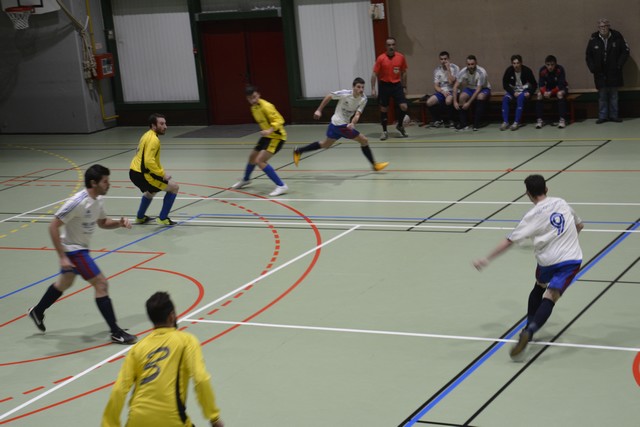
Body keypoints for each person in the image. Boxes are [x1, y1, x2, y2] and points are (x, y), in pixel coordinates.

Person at [473, 174, 584, 360]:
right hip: (570, 260)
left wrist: (486, 259)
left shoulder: (531, 216)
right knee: (551, 296)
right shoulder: (562, 202)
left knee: (539, 286)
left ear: (528, 194)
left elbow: (509, 241)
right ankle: (530, 331)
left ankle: (527, 327)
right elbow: (579, 225)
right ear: (546, 189)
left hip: (547, 261)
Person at [27, 165, 137, 345]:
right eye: (105, 181)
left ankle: (37, 311)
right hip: (74, 250)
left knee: (64, 283)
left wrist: (119, 223)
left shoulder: (98, 199)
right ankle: (116, 332)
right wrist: (62, 257)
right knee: (101, 284)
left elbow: (102, 222)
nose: (109, 184)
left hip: (81, 248)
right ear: (93, 183)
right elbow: (53, 226)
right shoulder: (77, 202)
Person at [102, 292, 224, 427]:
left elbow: (119, 389)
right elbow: (201, 379)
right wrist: (214, 417)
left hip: (136, 420)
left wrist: (109, 424)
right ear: (171, 316)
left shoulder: (138, 348)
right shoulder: (187, 341)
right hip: (172, 419)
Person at [292, 77, 389, 172]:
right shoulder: (345, 94)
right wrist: (319, 110)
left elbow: (357, 114)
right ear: (353, 87)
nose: (361, 89)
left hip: (337, 125)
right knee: (364, 140)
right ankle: (375, 165)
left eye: (363, 87)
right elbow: (329, 96)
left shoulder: (363, 99)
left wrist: (352, 123)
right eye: (358, 87)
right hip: (339, 124)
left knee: (325, 144)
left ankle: (299, 151)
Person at [231, 85, 288, 197]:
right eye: (250, 98)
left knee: (260, 161)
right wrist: (266, 132)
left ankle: (281, 186)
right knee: (252, 156)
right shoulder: (253, 108)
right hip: (267, 136)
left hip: (277, 137)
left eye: (254, 97)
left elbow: (280, 120)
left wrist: (269, 130)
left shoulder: (267, 106)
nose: (253, 100)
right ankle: (246, 179)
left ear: (258, 95)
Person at [129, 113, 180, 226]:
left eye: (165, 123)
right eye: (161, 124)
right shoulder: (154, 140)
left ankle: (140, 217)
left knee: (152, 190)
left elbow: (138, 152)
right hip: (143, 174)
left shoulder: (146, 135)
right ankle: (163, 218)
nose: (165, 126)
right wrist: (162, 174)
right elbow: (148, 161)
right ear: (153, 125)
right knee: (174, 187)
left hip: (133, 171)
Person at [585, 18, 630, 124]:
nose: (603, 28)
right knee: (602, 96)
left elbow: (625, 51)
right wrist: (592, 68)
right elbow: (588, 55)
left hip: (614, 71)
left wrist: (619, 65)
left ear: (609, 27)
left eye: (605, 26)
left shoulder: (617, 37)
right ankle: (603, 116)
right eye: (601, 26)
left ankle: (614, 116)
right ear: (598, 28)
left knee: (614, 95)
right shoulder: (593, 39)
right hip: (600, 73)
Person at [371, 37, 409, 140]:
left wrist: (404, 86)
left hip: (397, 85)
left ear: (395, 46)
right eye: (389, 45)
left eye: (393, 45)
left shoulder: (401, 57)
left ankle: (400, 125)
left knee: (404, 107)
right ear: (386, 46)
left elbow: (404, 72)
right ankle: (384, 131)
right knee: (384, 108)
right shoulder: (381, 58)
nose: (391, 47)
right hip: (384, 85)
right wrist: (373, 88)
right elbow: (374, 74)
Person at [452, 55, 491, 131]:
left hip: (483, 88)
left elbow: (478, 89)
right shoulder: (463, 72)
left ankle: (476, 123)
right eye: (468, 64)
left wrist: (468, 103)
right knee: (462, 97)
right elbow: (455, 86)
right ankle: (464, 124)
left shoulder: (481, 72)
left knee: (480, 97)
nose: (470, 66)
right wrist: (455, 101)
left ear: (476, 63)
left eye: (472, 64)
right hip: (470, 88)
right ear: (466, 64)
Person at [500, 55, 537, 131]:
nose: (516, 65)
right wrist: (513, 92)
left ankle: (516, 122)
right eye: (514, 63)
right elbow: (505, 84)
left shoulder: (527, 71)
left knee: (520, 99)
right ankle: (505, 122)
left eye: (517, 63)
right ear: (512, 64)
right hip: (513, 91)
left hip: (524, 90)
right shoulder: (509, 70)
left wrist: (530, 93)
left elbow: (534, 84)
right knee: (505, 99)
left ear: (521, 63)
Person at [426, 51, 459, 128]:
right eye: (441, 59)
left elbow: (451, 82)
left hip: (452, 90)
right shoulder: (437, 70)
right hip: (442, 91)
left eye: (445, 59)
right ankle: (438, 120)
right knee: (429, 102)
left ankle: (451, 120)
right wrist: (442, 91)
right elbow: (436, 86)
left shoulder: (455, 68)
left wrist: (448, 70)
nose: (443, 61)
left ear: (449, 59)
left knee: (448, 101)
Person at [536, 55, 569, 129]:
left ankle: (562, 120)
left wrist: (551, 92)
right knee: (539, 95)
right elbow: (541, 84)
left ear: (555, 64)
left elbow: (561, 85)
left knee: (559, 94)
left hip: (562, 87)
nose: (550, 67)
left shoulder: (560, 69)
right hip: (549, 89)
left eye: (552, 65)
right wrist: (544, 92)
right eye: (548, 65)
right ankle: (539, 120)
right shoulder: (542, 70)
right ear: (545, 64)